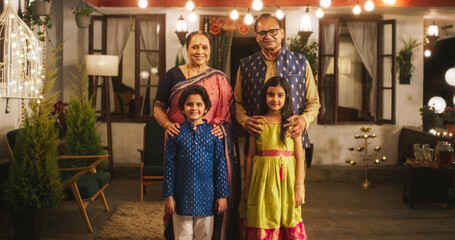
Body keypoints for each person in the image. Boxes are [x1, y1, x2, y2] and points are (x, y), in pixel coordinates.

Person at [154, 31, 241, 239]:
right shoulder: (173, 75)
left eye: (204, 47)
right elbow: (158, 108)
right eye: (194, 46)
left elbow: (229, 114)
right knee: (177, 189)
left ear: (210, 52)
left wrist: (222, 128)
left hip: (210, 141)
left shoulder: (219, 78)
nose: (199, 51)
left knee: (209, 200)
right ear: (187, 49)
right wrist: (167, 125)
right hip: (178, 137)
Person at [233, 13, 320, 155]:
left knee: (295, 178)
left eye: (273, 31)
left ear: (282, 33)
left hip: (293, 141)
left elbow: (314, 101)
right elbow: (237, 101)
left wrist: (304, 120)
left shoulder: (300, 62)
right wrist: (244, 120)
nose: (268, 36)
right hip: (258, 143)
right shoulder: (246, 65)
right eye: (262, 33)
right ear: (257, 37)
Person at [239, 77, 307, 239]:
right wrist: (247, 187)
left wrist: (299, 186)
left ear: (286, 97)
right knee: (262, 212)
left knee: (286, 213)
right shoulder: (257, 122)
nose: (275, 99)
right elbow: (250, 157)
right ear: (264, 96)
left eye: (280, 95)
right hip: (261, 182)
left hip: (287, 183)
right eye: (271, 94)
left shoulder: (292, 123)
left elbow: (299, 157)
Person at [163, 85, 229, 240]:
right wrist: (168, 195)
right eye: (189, 104)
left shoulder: (214, 134)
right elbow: (169, 167)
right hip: (181, 195)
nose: (194, 108)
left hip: (207, 196)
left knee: (204, 236)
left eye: (199, 104)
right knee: (182, 236)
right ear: (182, 107)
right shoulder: (176, 133)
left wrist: (222, 195)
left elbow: (220, 167)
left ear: (206, 107)